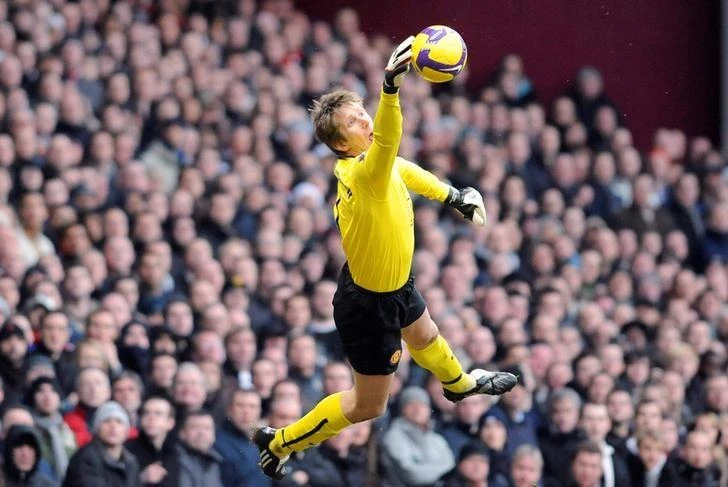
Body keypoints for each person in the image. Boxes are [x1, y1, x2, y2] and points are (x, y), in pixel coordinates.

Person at [253, 35, 516, 480]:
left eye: (362, 112)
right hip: (368, 308)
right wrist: (389, 89)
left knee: (426, 333)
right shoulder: (362, 170)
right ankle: (280, 442)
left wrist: (453, 195)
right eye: (356, 122)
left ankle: (458, 384)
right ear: (342, 145)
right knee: (368, 405)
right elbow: (392, 144)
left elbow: (405, 168)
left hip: (392, 284)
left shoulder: (378, 166)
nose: (365, 121)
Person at [63, 401, 140, 487]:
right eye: (106, 421)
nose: (113, 426)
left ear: (126, 430)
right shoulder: (86, 458)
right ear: (97, 428)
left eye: (119, 422)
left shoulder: (131, 462)